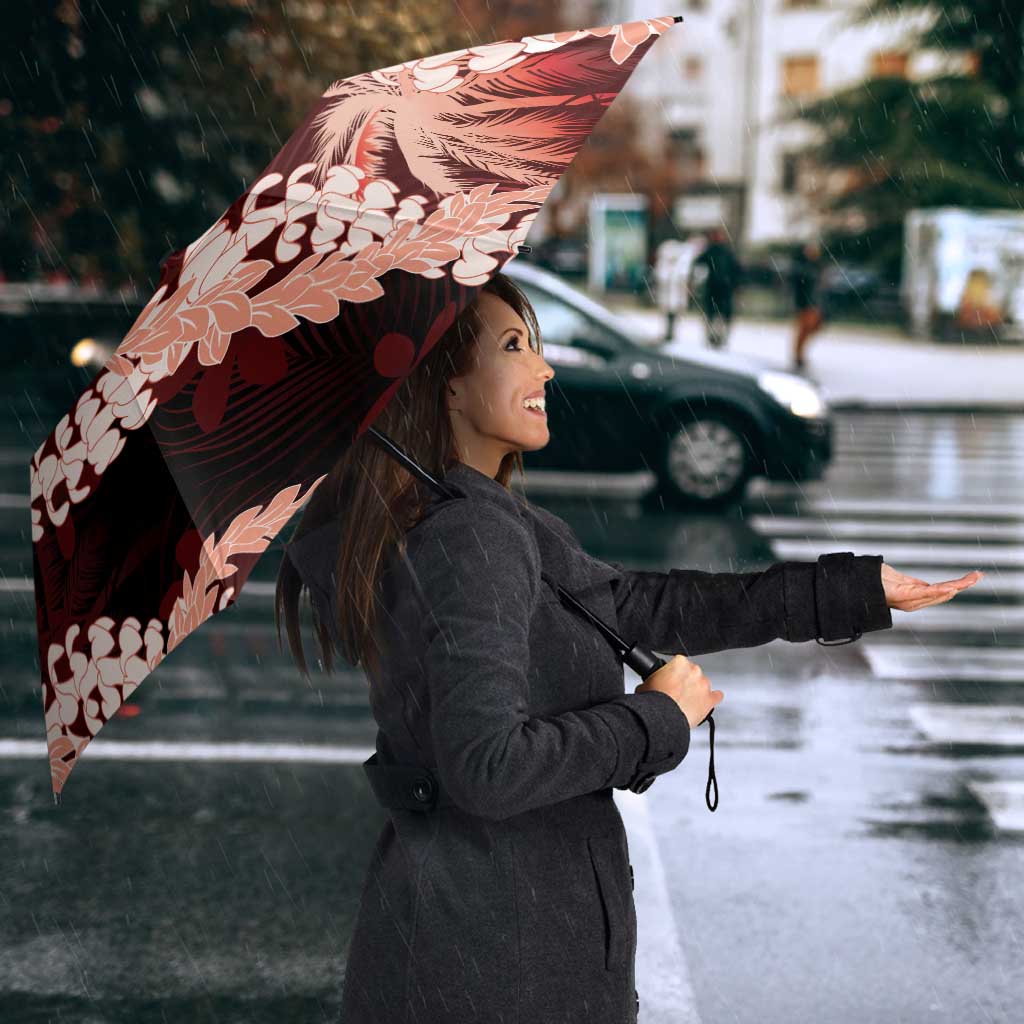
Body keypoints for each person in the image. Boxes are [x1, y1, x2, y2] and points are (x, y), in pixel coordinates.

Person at [276, 271, 976, 1024]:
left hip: (481, 942)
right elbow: (487, 768)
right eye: (514, 346)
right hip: (498, 963)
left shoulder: (475, 518)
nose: (544, 368)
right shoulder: (469, 536)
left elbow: (640, 605)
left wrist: (850, 591)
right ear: (445, 385)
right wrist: (656, 719)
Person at [692, 226, 742, 349]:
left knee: (720, 315)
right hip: (715, 288)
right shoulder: (712, 251)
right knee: (713, 314)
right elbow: (698, 264)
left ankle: (719, 337)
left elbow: (736, 270)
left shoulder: (725, 252)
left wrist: (735, 284)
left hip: (723, 288)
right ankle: (713, 337)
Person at [790, 239, 826, 371]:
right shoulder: (802, 267)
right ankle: (798, 355)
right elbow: (799, 286)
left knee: (812, 328)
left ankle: (800, 354)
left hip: (814, 303)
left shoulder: (817, 266)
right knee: (804, 329)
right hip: (805, 303)